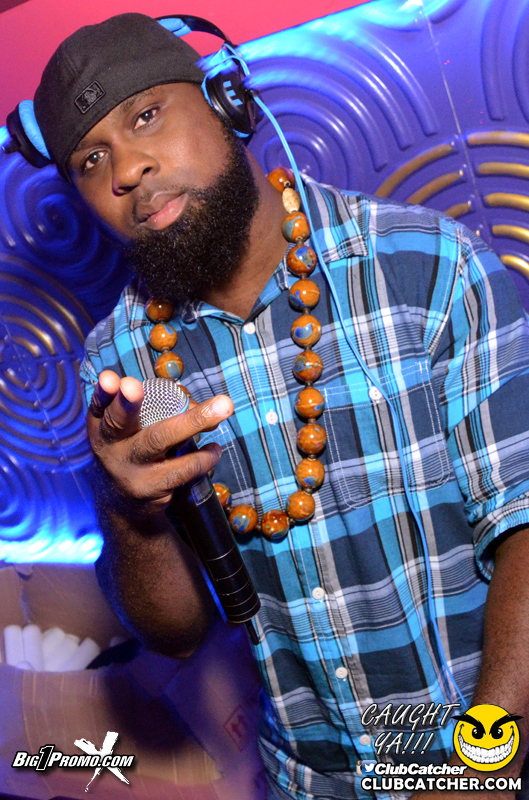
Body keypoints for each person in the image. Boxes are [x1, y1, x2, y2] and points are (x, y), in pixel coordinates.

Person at [15, 11, 529, 800]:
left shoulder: (427, 268)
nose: (127, 169)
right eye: (92, 158)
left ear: (227, 102)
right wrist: (129, 511)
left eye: (146, 116)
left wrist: (477, 769)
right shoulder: (125, 368)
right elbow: (175, 632)